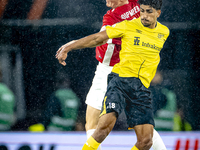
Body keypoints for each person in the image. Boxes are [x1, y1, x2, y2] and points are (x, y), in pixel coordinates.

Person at [56, 0, 170, 149]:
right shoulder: (137, 5)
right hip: (135, 73)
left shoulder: (113, 17)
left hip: (112, 70)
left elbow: (99, 39)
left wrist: (71, 45)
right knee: (144, 131)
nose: (107, 3)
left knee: (94, 123)